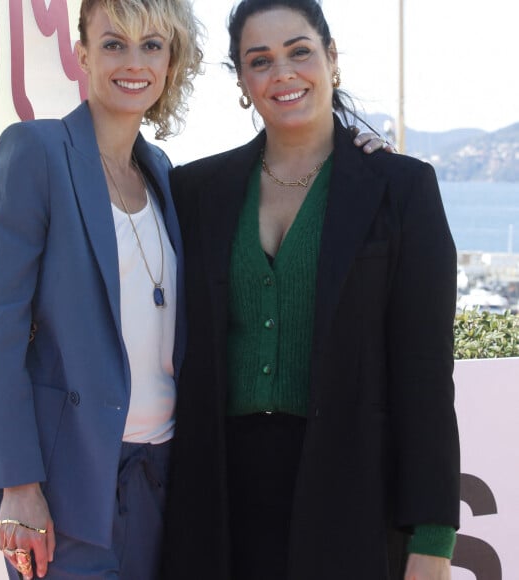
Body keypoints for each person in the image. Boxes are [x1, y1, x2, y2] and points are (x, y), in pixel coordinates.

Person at [161, 1, 460, 579]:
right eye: (260, 61)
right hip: (218, 502)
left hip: (353, 497)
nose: (283, 74)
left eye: (299, 51)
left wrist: (433, 538)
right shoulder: (195, 191)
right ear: (243, 81)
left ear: (331, 59)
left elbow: (425, 374)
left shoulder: (402, 189)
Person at [0, 0, 202, 578]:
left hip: (162, 477)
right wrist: (17, 482)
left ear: (171, 63)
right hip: (66, 490)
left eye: (152, 45)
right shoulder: (36, 153)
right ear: (83, 54)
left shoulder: (164, 173)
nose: (133, 61)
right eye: (114, 43)